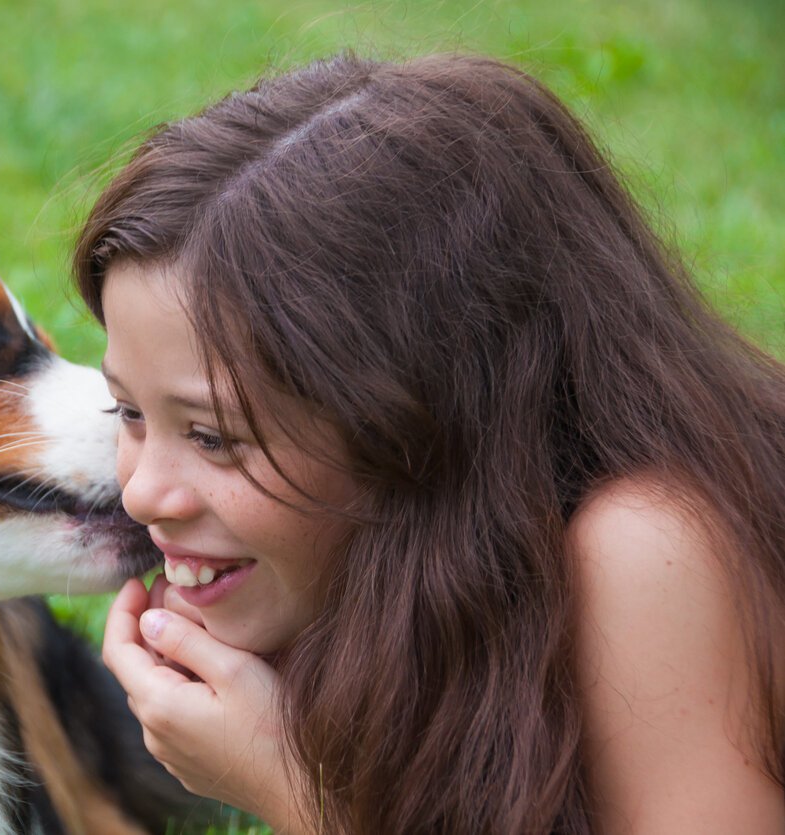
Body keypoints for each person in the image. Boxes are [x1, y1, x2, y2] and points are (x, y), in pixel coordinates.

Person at [72, 53, 785, 834]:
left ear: (418, 421)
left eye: (211, 436)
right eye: (129, 412)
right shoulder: (416, 575)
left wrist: (296, 792)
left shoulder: (648, 544)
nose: (141, 493)